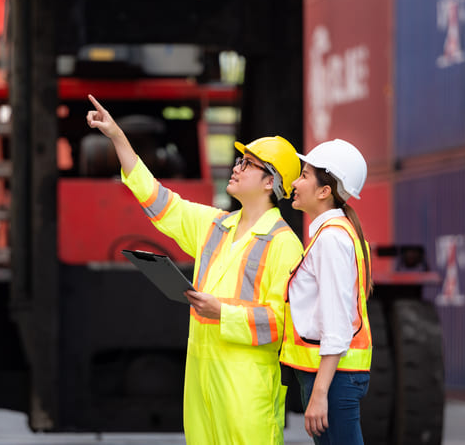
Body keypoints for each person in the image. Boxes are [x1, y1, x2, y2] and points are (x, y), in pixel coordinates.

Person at [86, 94, 303, 445]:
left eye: (248, 164)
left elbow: (285, 323)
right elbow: (157, 199)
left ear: (270, 183)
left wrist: (223, 313)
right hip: (202, 377)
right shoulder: (215, 225)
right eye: (239, 160)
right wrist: (117, 137)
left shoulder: (284, 245)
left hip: (246, 385)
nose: (236, 167)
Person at [279, 139, 373, 444]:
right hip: (335, 376)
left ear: (324, 191)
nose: (294, 182)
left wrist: (319, 393)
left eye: (304, 175)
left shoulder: (331, 239)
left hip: (333, 379)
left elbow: (336, 323)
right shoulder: (333, 233)